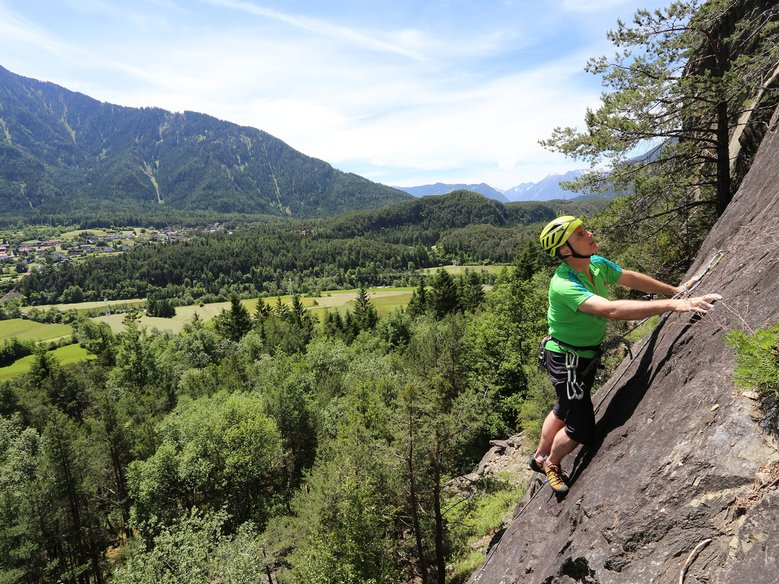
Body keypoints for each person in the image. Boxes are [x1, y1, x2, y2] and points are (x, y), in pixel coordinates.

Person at [530, 216, 722, 493]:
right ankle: (552, 461)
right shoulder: (564, 284)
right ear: (565, 251)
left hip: (578, 355)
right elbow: (610, 310)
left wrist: (675, 290)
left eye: (586, 230)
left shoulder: (595, 264)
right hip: (568, 361)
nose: (590, 234)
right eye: (581, 234)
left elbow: (627, 277)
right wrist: (674, 304)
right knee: (581, 429)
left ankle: (538, 456)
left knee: (564, 406)